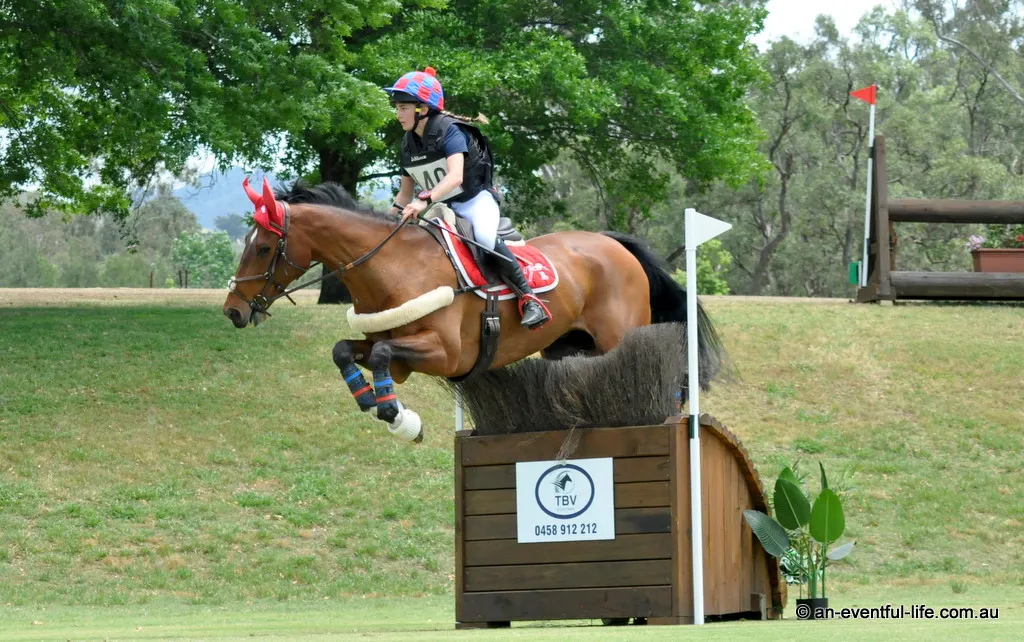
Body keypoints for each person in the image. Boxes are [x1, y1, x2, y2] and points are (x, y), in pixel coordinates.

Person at [384, 67, 551, 330]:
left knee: (484, 238)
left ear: (422, 109)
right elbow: (405, 195)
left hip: (475, 201)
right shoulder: (407, 144)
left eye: (403, 107)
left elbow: (455, 178)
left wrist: (423, 201)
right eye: (397, 107)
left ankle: (529, 299)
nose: (397, 113)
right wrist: (387, 220)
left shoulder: (451, 131)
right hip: (443, 207)